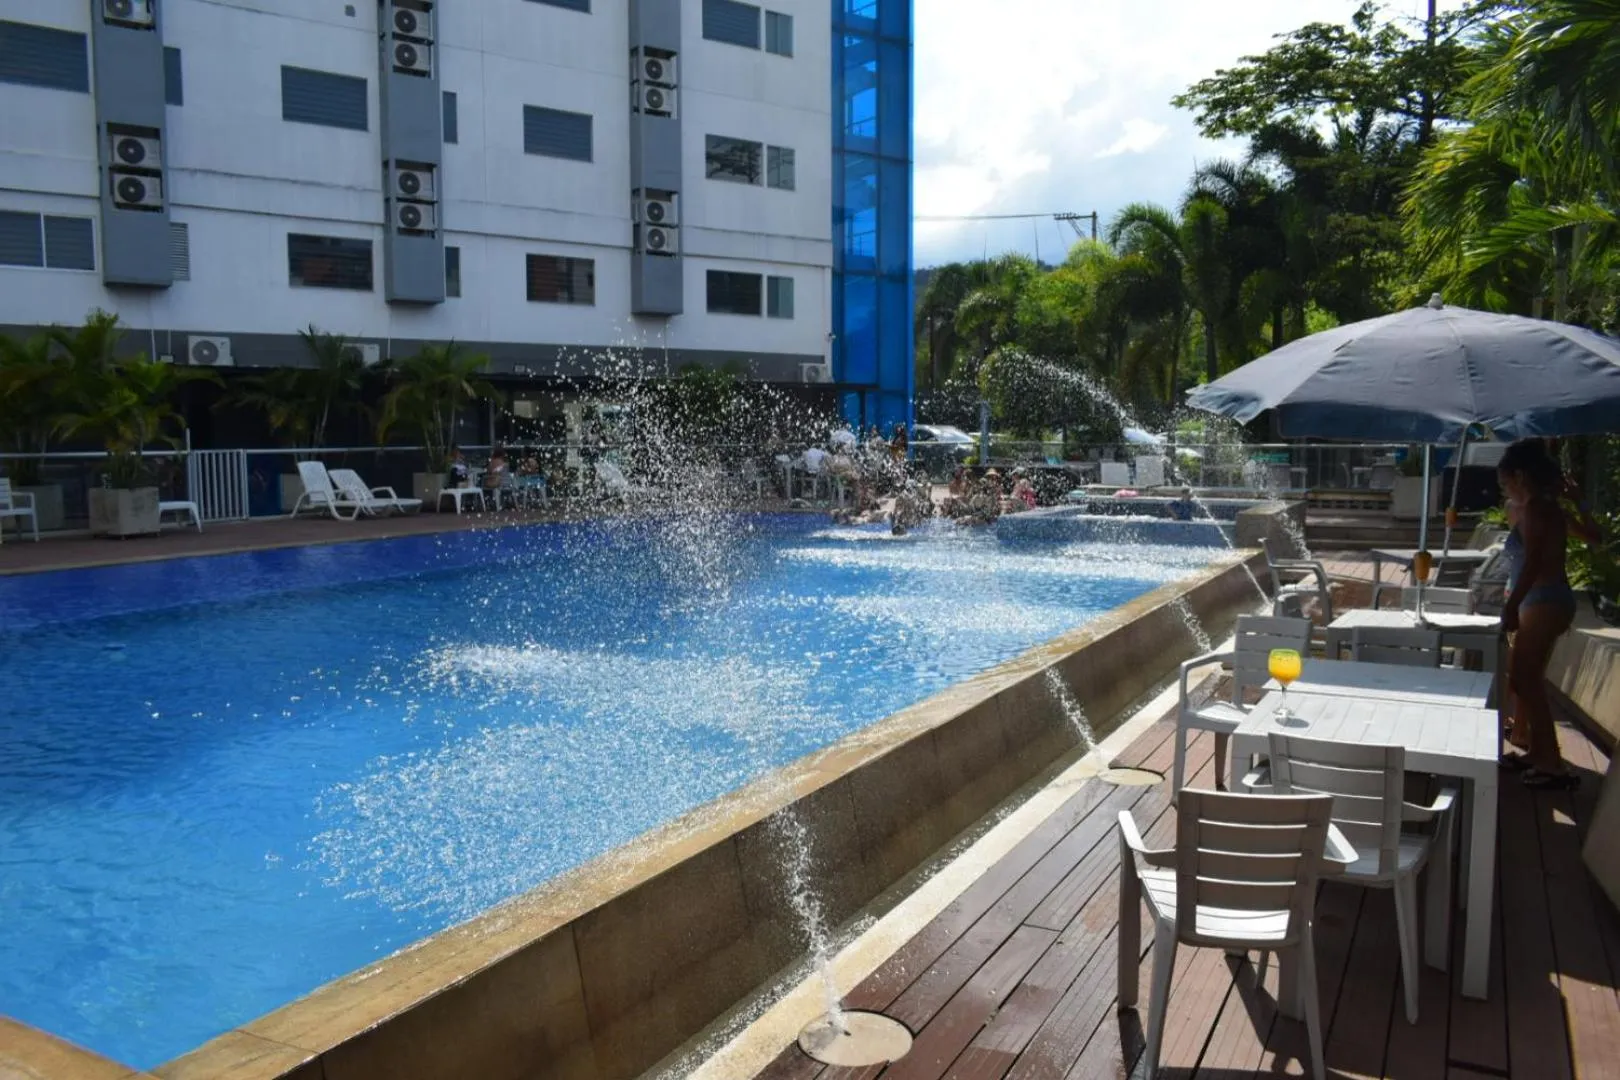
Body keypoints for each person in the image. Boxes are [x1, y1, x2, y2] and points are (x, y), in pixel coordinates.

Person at [1496, 440, 1580, 788]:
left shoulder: (1535, 509)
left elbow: (1532, 562)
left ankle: (1552, 761)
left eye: (1505, 482)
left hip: (1544, 599)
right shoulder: (1545, 507)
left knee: (1524, 678)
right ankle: (1541, 753)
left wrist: (1512, 605)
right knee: (1524, 678)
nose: (1505, 489)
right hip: (1547, 599)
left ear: (1519, 476)